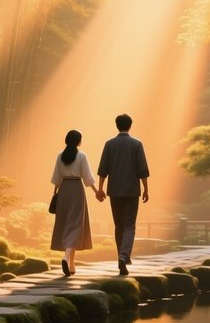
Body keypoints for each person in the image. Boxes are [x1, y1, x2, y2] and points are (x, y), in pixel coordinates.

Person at [96, 113, 149, 275]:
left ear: (117, 125)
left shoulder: (109, 144)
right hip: (132, 191)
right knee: (129, 225)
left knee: (118, 225)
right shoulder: (137, 144)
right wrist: (146, 189)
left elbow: (103, 169)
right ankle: (124, 256)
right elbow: (142, 170)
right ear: (130, 125)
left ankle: (121, 255)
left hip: (115, 191)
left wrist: (100, 188)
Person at [50, 129, 101, 276]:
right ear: (78, 141)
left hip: (63, 190)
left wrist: (55, 195)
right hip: (77, 190)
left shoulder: (60, 156)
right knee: (76, 225)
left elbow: (57, 179)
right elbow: (87, 178)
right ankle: (66, 258)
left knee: (67, 223)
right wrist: (97, 191)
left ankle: (71, 265)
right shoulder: (82, 156)